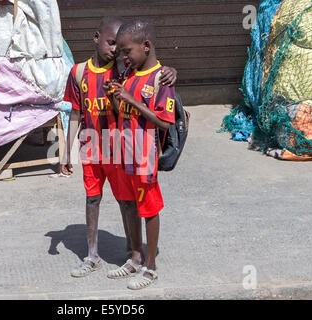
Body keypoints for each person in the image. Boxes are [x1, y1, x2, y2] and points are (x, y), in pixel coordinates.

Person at [61, 16, 177, 278]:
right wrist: (66, 151)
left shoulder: (125, 70)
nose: (116, 52)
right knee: (93, 198)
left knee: (130, 202)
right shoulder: (81, 73)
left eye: (121, 48)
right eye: (112, 44)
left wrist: (171, 71)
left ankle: (137, 256)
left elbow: (154, 76)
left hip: (124, 148)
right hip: (91, 145)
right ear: (96, 38)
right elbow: (76, 113)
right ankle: (94, 256)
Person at [104, 18, 176, 289]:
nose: (123, 57)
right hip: (124, 152)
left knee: (149, 208)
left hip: (144, 154)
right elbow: (120, 110)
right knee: (127, 203)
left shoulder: (162, 79)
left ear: (146, 46)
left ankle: (150, 266)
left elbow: (164, 122)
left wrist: (131, 99)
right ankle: (134, 257)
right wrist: (113, 96)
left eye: (126, 52)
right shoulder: (128, 74)